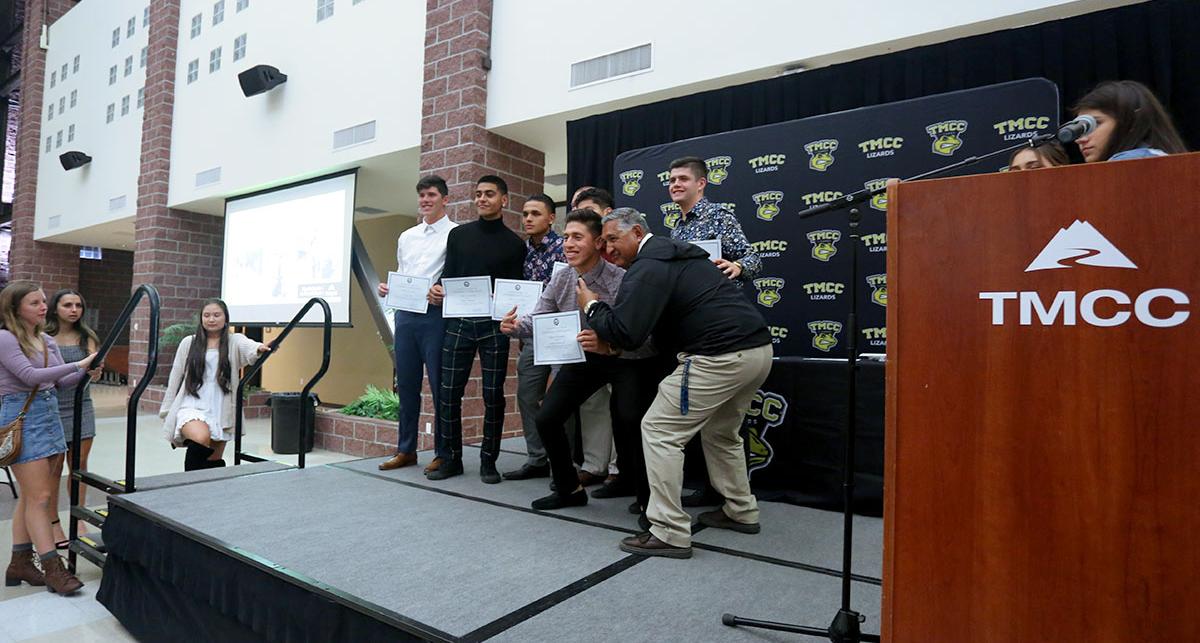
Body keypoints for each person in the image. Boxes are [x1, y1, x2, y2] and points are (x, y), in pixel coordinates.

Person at [579, 208, 773, 559]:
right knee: (721, 433)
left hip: (719, 355)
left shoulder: (649, 266)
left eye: (612, 239)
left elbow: (628, 332)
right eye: (602, 241)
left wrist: (592, 306)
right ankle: (741, 510)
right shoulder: (674, 253)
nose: (606, 248)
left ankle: (668, 530)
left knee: (659, 430)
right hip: (757, 351)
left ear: (637, 232)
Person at [500, 209, 660, 515]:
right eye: (566, 237)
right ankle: (569, 489)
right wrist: (515, 327)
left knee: (628, 421)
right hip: (586, 359)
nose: (568, 244)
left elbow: (647, 337)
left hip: (628, 360)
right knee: (547, 417)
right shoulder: (562, 277)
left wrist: (609, 345)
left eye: (577, 237)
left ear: (598, 242)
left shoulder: (622, 279)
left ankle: (647, 498)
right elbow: (540, 318)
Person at [427, 175, 525, 483]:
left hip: (494, 326)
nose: (482, 199)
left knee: (493, 395)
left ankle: (488, 461)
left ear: (503, 200)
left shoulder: (515, 244)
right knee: (447, 393)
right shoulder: (458, 235)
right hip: (458, 323)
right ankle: (451, 459)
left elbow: (515, 290)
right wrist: (438, 290)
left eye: (489, 194)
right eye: (478, 194)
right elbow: (448, 275)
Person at [0, 281, 96, 594]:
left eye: (43, 301)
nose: (43, 307)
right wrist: (77, 363)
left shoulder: (45, 340)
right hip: (21, 416)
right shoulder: (5, 338)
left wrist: (87, 370)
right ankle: (53, 568)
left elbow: (63, 381)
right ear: (15, 309)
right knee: (41, 498)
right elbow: (28, 376)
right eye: (34, 303)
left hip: (48, 414)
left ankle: (19, 563)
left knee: (31, 495)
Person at [376, 175, 457, 472]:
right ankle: (406, 449)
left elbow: (457, 278)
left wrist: (444, 291)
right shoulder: (407, 236)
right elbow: (403, 271)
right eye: (421, 195)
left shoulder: (456, 234)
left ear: (445, 199)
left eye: (431, 195)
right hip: (406, 315)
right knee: (407, 385)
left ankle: (442, 452)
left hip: (435, 317)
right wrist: (388, 288)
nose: (425, 200)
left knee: (439, 387)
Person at [160, 299, 271, 470]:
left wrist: (259, 348)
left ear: (226, 319)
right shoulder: (189, 342)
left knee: (213, 460)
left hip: (221, 408)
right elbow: (175, 377)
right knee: (200, 438)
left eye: (216, 315)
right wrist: (167, 410)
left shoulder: (234, 341)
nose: (211, 319)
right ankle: (187, 486)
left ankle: (209, 492)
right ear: (201, 319)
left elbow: (250, 347)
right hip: (192, 405)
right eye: (207, 315)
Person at [504, 194, 564, 481]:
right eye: (525, 213)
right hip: (530, 334)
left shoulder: (566, 247)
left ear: (551, 218)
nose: (528, 218)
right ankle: (537, 458)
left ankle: (566, 462)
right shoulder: (520, 250)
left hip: (560, 332)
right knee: (527, 395)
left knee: (562, 398)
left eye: (535, 213)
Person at [44, 289, 101, 548]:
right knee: (53, 470)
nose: (74, 309)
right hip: (51, 408)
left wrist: (96, 373)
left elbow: (93, 371)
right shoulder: (44, 337)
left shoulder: (87, 337)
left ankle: (78, 517)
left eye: (78, 304)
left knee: (78, 465)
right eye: (67, 305)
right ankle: (53, 522)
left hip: (81, 406)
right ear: (56, 308)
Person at [666, 156, 761, 283]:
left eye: (683, 179)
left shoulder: (718, 215)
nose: (676, 184)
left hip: (717, 299)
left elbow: (753, 259)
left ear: (701, 184)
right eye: (672, 180)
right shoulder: (677, 227)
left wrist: (738, 266)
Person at [1071, 80, 1187, 163]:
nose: (1080, 139)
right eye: (1081, 130)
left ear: (1131, 121)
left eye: (1095, 124)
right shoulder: (1172, 163)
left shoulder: (1133, 160)